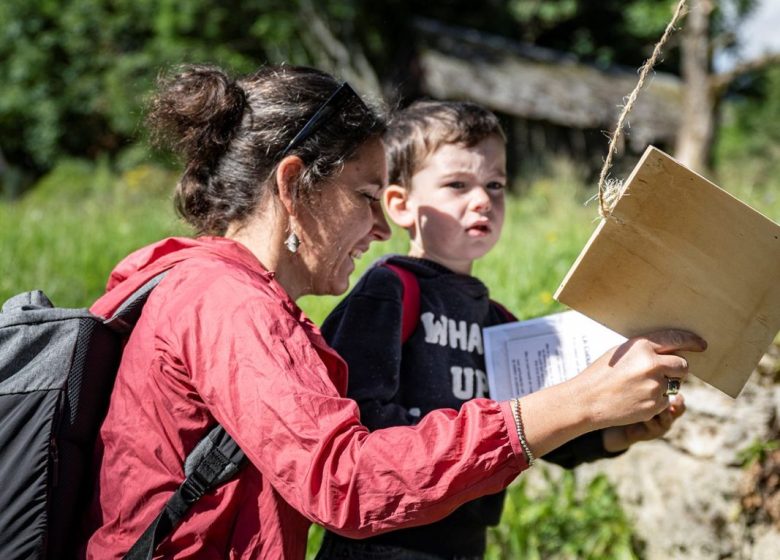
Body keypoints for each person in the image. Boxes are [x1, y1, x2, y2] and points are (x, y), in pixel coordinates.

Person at [81, 65, 705, 560]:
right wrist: (577, 403)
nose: (382, 228)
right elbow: (347, 482)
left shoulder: (230, 294)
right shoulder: (225, 301)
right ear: (294, 185)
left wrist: (606, 424)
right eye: (366, 196)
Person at [316, 100, 693, 560]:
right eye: (457, 185)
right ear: (401, 205)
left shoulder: (498, 321)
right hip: (382, 540)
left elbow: (548, 425)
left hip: (466, 542)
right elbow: (353, 421)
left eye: (495, 185)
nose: (482, 200)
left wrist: (623, 433)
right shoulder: (390, 290)